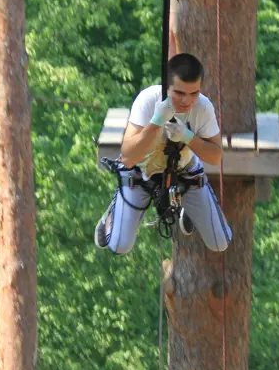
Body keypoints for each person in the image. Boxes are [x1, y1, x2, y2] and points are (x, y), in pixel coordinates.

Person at [95, 53, 232, 254]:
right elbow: (129, 157)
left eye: (194, 93)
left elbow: (215, 156)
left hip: (184, 172)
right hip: (140, 173)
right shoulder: (148, 101)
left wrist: (188, 137)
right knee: (119, 246)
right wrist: (155, 123)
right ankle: (114, 210)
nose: (187, 100)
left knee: (220, 243)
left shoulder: (203, 108)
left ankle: (190, 210)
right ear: (167, 86)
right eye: (179, 92)